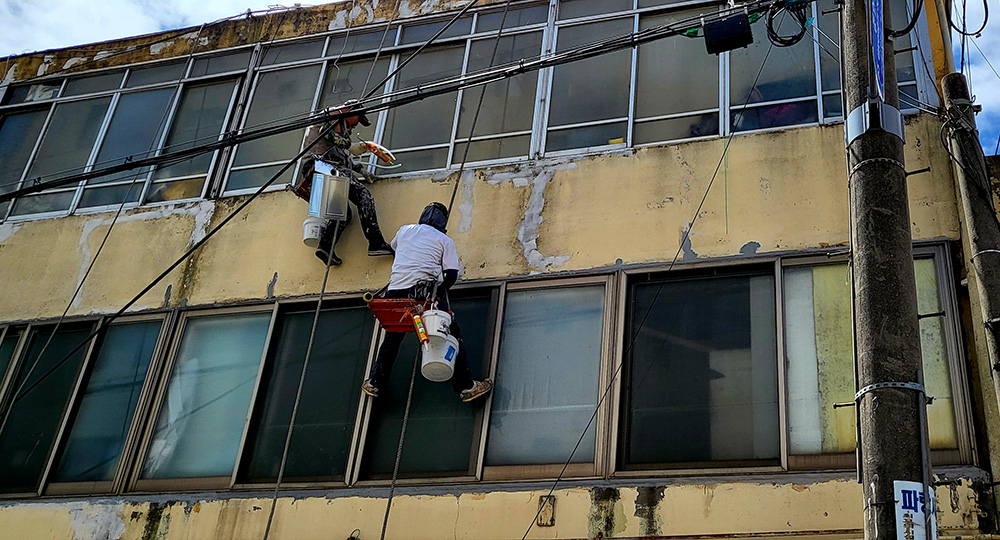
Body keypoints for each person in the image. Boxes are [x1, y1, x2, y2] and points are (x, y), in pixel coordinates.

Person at [362, 202, 493, 402]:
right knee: (451, 334)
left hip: (395, 296)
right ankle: (466, 386)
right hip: (423, 297)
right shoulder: (444, 240)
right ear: (443, 223)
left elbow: (394, 248)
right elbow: (451, 274)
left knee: (393, 338)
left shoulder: (405, 231)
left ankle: (376, 382)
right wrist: (439, 290)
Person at [294, 100, 393, 265]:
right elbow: (326, 133)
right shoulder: (334, 114)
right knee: (364, 196)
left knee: (343, 213)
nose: (355, 126)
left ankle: (325, 247)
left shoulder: (340, 132)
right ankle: (376, 243)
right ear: (350, 111)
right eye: (358, 119)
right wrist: (350, 145)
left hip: (322, 168)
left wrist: (361, 170)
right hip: (321, 165)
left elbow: (342, 157)